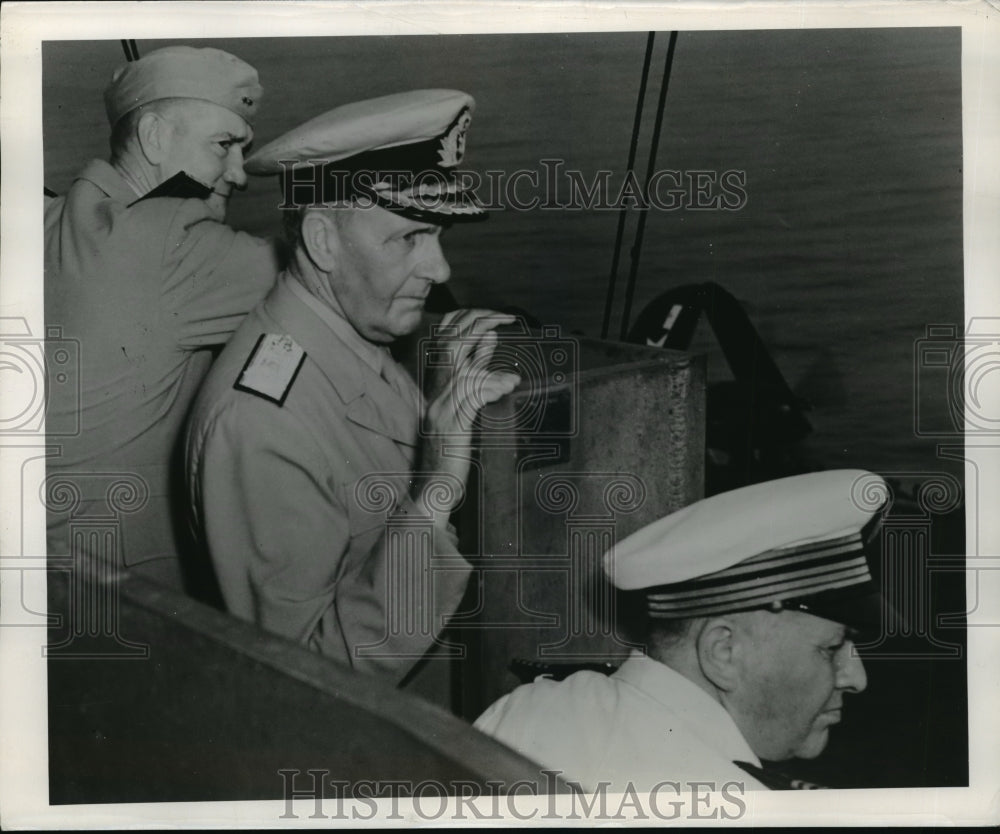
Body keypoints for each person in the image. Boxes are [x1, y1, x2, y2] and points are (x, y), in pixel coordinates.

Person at [184, 90, 520, 681]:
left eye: (438, 235)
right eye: (409, 239)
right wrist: (438, 484)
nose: (441, 270)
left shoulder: (346, 334)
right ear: (322, 241)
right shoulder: (259, 423)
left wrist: (434, 388)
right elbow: (314, 680)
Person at [474, 469, 890, 791]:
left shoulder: (528, 708)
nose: (858, 679)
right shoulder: (739, 803)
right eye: (832, 648)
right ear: (723, 652)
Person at [44, 46, 281, 591]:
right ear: (153, 137)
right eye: (224, 145)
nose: (240, 175)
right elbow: (339, 276)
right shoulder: (175, 246)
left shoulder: (52, 219)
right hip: (119, 601)